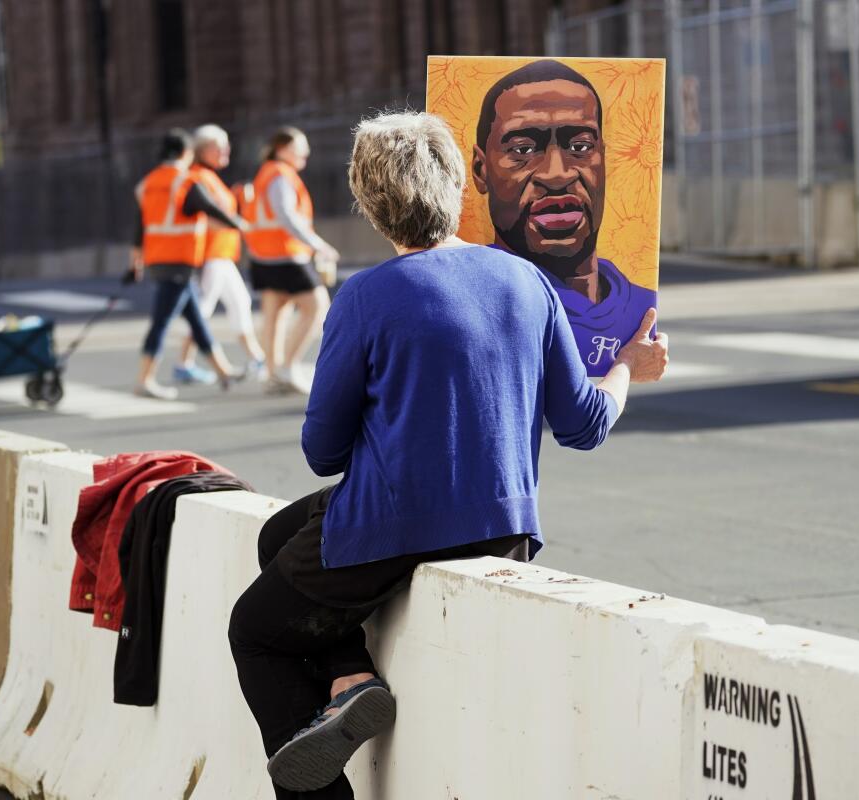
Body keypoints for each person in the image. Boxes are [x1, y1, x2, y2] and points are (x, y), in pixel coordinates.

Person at [228, 111, 668, 799]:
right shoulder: (528, 281)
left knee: (255, 631)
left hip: (392, 531)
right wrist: (626, 371)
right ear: (459, 186)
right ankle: (349, 677)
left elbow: (321, 451)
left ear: (370, 203)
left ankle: (331, 752)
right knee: (276, 534)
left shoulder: (366, 297)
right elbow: (583, 425)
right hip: (506, 531)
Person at [471, 59, 658, 374]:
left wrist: (637, 364)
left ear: (603, 160)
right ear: (481, 169)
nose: (556, 175)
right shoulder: (467, 307)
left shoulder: (641, 310)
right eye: (523, 150)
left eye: (581, 146)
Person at [133, 128, 248, 400]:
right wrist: (242, 225)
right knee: (161, 322)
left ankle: (223, 370)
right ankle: (144, 379)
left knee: (196, 319)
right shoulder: (185, 181)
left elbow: (140, 225)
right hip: (180, 260)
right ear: (186, 153)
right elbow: (213, 209)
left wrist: (134, 260)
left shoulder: (148, 182)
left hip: (157, 258)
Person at [244, 127, 340, 395]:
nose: (305, 154)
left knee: (276, 313)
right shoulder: (280, 175)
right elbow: (287, 215)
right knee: (316, 306)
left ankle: (273, 372)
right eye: (300, 148)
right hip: (286, 254)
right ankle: (287, 366)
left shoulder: (266, 172)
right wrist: (318, 245)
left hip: (263, 254)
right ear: (283, 149)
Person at [173, 124, 267, 385]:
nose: (227, 149)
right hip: (209, 254)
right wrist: (236, 222)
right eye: (220, 145)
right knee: (201, 310)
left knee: (239, 303)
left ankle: (256, 357)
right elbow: (204, 215)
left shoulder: (210, 177)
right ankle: (184, 363)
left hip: (222, 253)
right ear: (204, 149)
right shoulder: (198, 177)